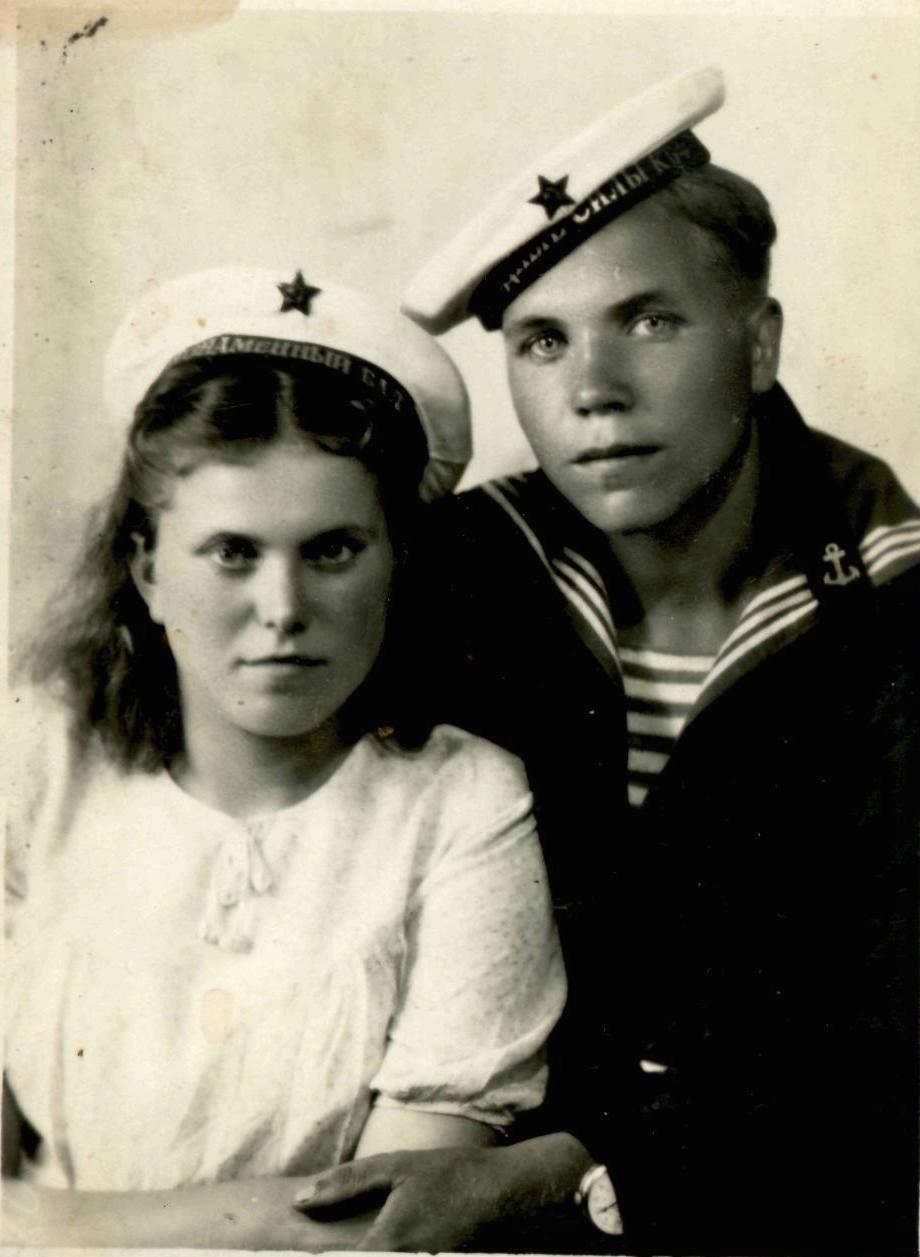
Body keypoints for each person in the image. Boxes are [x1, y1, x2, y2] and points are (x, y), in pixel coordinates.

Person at [298, 69, 920, 1255]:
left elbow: (884, 1047)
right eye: (542, 342)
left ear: (757, 343)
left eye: (648, 321)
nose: (592, 392)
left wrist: (553, 1172)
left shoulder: (891, 610)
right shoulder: (456, 576)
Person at [2, 268, 566, 1249]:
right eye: (232, 552)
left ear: (396, 561)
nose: (283, 610)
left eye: (332, 550)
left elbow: (384, 1227)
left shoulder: (462, 802)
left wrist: (46, 1222)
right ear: (147, 568)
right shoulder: (42, 759)